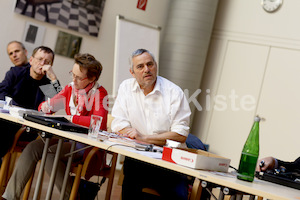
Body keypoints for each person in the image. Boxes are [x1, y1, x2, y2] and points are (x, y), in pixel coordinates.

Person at [2, 53, 108, 200]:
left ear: (92, 78)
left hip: (85, 144)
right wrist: (45, 107)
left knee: (51, 154)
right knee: (33, 148)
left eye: (79, 77)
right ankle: (9, 197)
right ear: (31, 59)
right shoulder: (70, 89)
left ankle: (72, 196)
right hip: (66, 138)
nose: (73, 80)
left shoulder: (100, 93)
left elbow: (99, 122)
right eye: (73, 74)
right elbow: (46, 107)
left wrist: (71, 118)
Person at [111, 49, 191, 200]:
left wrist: (144, 138)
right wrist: (130, 132)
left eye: (150, 64)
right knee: (131, 180)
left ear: (156, 66)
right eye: (140, 67)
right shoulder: (126, 87)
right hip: (138, 158)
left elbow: (180, 134)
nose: (146, 69)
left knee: (178, 196)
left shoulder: (174, 92)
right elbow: (118, 122)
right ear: (132, 72)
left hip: (168, 162)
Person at [0, 46, 62, 158]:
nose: (42, 63)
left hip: (27, 127)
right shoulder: (15, 73)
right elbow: (1, 93)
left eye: (47, 62)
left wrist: (53, 77)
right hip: (8, 119)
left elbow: (59, 104)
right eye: (39, 59)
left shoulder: (46, 84)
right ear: (31, 60)